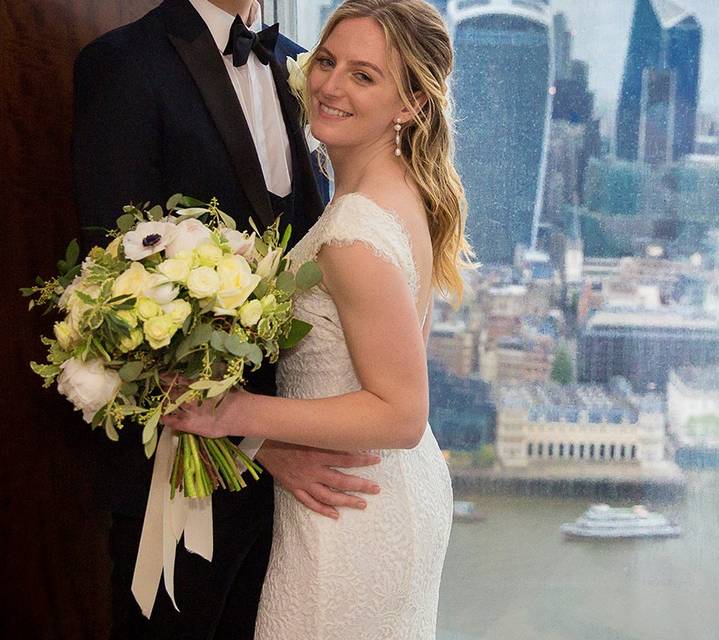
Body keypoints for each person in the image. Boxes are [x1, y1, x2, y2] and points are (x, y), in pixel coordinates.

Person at [71, 1, 382, 638]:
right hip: (184, 481)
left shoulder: (306, 70)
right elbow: (121, 289)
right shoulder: (123, 66)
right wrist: (260, 444)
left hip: (300, 495)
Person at [163, 1, 474, 637]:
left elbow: (402, 413)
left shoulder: (353, 234)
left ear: (411, 104)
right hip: (372, 492)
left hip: (351, 506)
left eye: (365, 76)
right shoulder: (396, 193)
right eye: (328, 62)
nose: (330, 85)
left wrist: (237, 414)